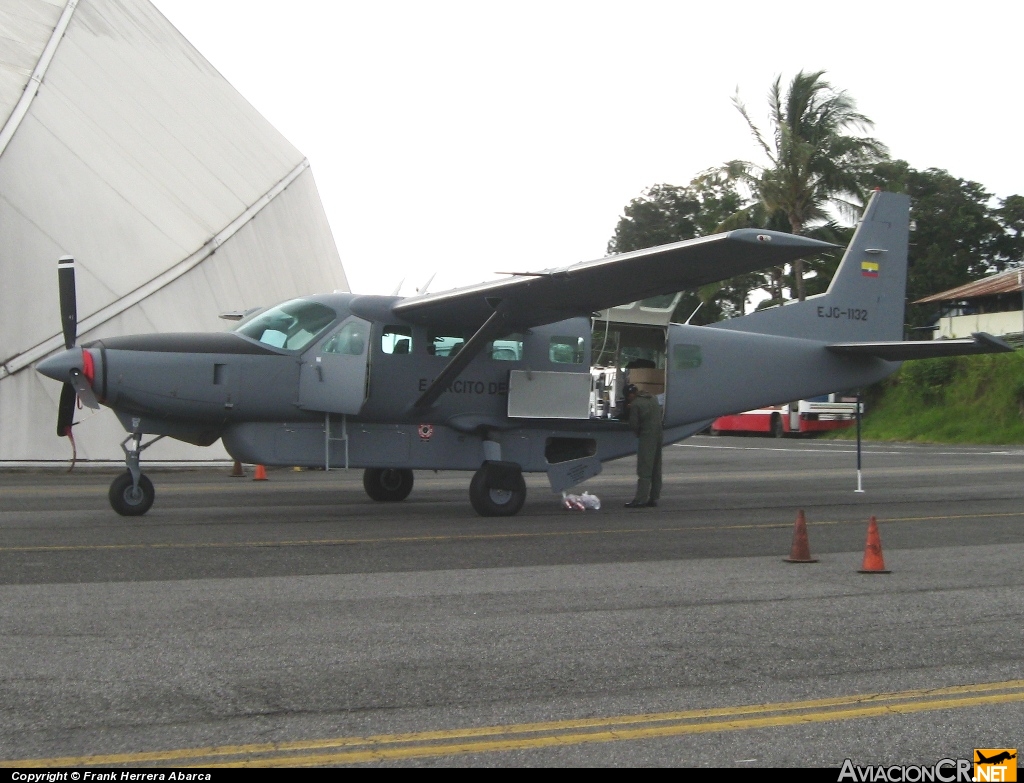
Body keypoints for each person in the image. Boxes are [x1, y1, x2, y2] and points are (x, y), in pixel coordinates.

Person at [624, 383, 662, 508]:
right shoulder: (652, 398)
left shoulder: (635, 404)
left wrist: (638, 433)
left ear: (630, 395)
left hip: (647, 436)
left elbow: (633, 424)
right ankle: (654, 497)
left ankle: (640, 499)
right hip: (658, 435)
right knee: (656, 467)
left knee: (644, 469)